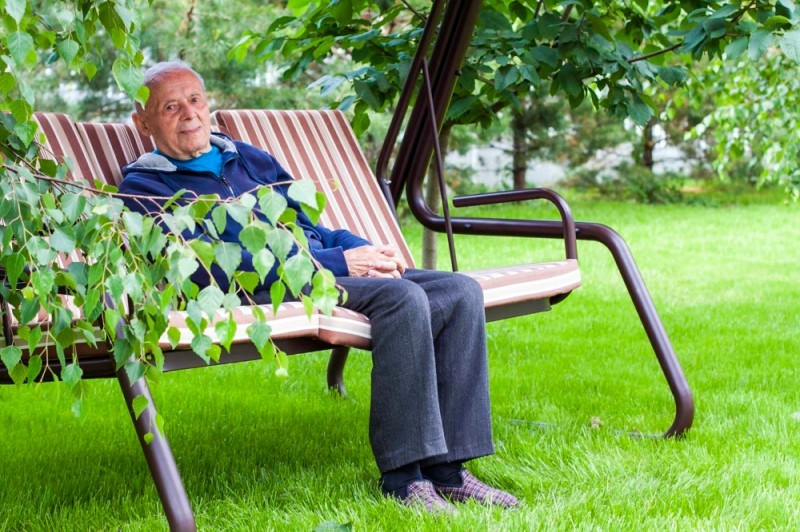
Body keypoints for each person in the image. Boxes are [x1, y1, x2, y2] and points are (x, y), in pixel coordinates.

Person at [119, 60, 518, 512]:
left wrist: (366, 252)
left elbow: (309, 227)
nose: (189, 113)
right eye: (170, 106)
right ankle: (405, 480)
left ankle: (450, 473)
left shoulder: (248, 156)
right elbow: (198, 270)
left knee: (459, 291)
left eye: (195, 100)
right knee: (402, 299)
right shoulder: (145, 185)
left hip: (317, 267)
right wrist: (337, 262)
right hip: (258, 286)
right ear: (142, 121)